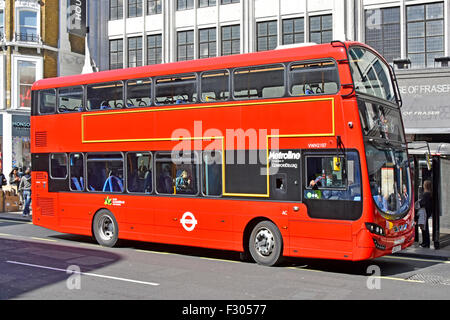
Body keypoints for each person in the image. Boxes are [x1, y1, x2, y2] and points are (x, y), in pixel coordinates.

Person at [418, 180, 432, 248]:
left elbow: (423, 203)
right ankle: (425, 242)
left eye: (424, 184)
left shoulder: (426, 194)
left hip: (424, 212)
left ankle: (425, 243)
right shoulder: (429, 193)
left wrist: (419, 203)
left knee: (424, 228)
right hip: (427, 212)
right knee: (424, 228)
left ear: (425, 186)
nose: (423, 185)